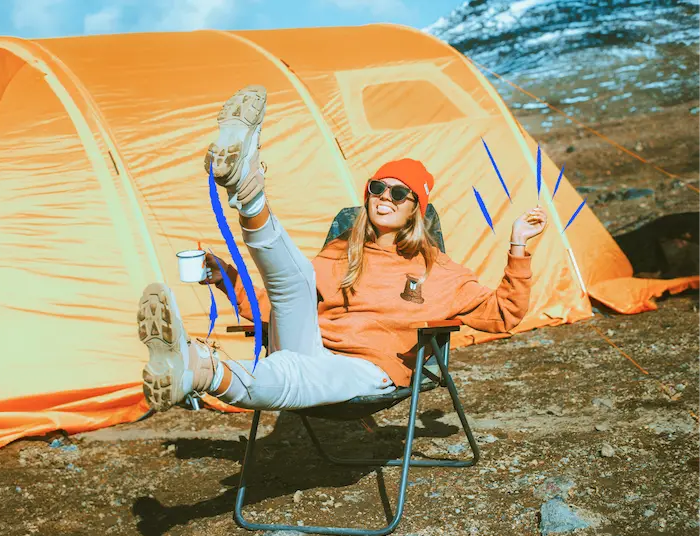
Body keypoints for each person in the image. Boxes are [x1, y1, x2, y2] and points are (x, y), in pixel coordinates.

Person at [137, 85, 547, 413]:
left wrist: (517, 245)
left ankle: (199, 369)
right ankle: (249, 191)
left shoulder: (437, 270)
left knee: (290, 374)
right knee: (294, 281)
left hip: (368, 370)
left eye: (400, 193)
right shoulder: (342, 253)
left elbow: (503, 315)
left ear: (415, 211)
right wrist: (224, 276)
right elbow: (276, 305)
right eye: (377, 188)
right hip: (310, 345)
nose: (385, 197)